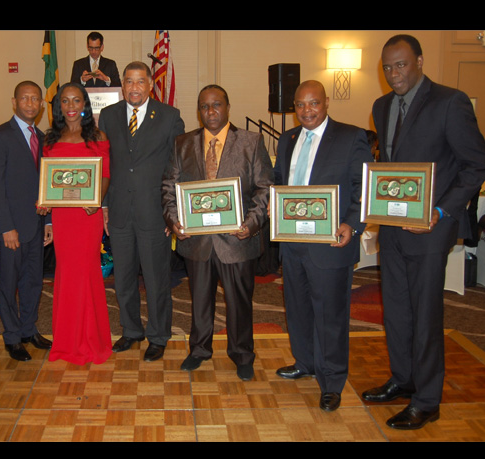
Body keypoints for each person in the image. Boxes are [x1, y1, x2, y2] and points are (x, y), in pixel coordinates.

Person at [362, 34, 485, 429]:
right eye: (387, 67)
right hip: (393, 227)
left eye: (400, 65)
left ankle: (428, 399)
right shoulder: (381, 107)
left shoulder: (451, 102)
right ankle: (403, 379)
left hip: (431, 228)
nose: (394, 74)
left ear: (418, 61)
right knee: (396, 310)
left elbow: (475, 166)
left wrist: (439, 210)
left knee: (426, 315)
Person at [162, 85, 273, 381]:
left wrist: (250, 225)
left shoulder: (251, 141)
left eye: (216, 105)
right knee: (199, 300)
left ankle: (242, 354)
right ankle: (199, 349)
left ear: (227, 107)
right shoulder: (182, 143)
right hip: (196, 241)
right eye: (204, 106)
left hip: (237, 241)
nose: (210, 112)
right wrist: (175, 222)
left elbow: (264, 188)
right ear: (198, 111)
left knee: (239, 302)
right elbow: (169, 187)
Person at [273, 80, 372, 411]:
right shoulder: (287, 140)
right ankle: (305, 362)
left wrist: (353, 224)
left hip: (331, 243)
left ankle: (331, 381)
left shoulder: (350, 136)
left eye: (313, 103)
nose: (306, 111)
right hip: (293, 242)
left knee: (330, 314)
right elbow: (278, 182)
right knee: (298, 307)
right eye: (300, 105)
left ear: (326, 103)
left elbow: (362, 187)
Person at [98, 61, 184, 362]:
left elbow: (178, 168)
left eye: (140, 81)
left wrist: (171, 214)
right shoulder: (107, 116)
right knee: (123, 278)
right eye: (129, 81)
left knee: (156, 278)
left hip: (154, 214)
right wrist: (104, 206)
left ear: (150, 84)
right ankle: (131, 331)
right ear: (123, 85)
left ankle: (158, 335)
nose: (134, 87)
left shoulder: (170, 117)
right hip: (119, 212)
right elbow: (104, 165)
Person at [42, 83, 112, 365]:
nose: (71, 106)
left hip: (87, 216)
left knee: (87, 274)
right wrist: (46, 212)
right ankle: (67, 341)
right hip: (62, 217)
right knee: (66, 274)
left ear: (85, 104)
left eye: (77, 100)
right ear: (59, 106)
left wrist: (97, 201)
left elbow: (105, 175)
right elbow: (46, 182)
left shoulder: (98, 136)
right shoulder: (50, 139)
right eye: (65, 101)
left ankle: (90, 340)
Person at [0, 81, 53, 362]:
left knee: (33, 282)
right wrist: (5, 227)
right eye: (24, 98)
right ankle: (12, 337)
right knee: (9, 284)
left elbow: (46, 183)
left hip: (36, 227)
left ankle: (28, 329)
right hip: (11, 228)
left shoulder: (42, 137)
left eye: (35, 99)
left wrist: (48, 222)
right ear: (14, 102)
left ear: (41, 105)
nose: (30, 103)